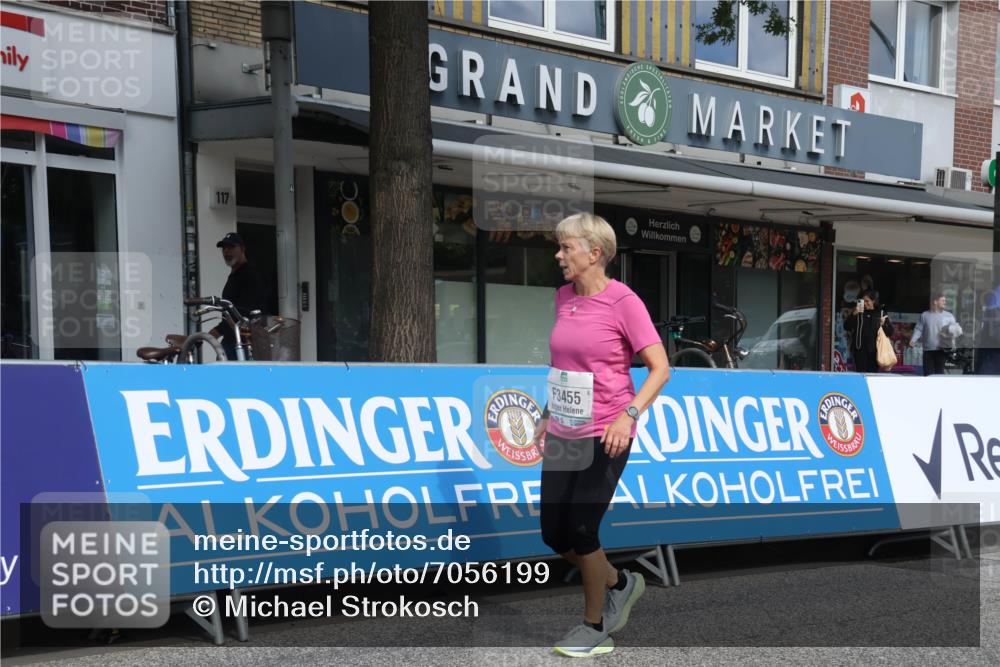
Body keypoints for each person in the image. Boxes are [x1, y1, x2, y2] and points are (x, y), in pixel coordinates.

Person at [530, 213, 670, 657]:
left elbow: (659, 368)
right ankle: (619, 581)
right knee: (554, 533)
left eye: (566, 247)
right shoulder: (562, 297)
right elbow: (567, 366)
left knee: (582, 527)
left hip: (607, 430)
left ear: (595, 253)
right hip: (564, 430)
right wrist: (548, 412)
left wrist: (628, 416)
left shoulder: (623, 301)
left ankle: (594, 628)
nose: (559, 254)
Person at [210, 232, 267, 360]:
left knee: (239, 378)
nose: (226, 251)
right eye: (224, 248)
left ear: (242, 249)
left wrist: (217, 330)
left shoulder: (250, 274)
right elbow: (231, 311)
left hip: (246, 342)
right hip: (232, 340)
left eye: (231, 247)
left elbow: (245, 310)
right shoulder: (235, 275)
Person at [909, 292, 963, 376]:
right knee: (928, 375)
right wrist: (913, 340)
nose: (945, 302)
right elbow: (919, 329)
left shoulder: (949, 316)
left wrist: (949, 334)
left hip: (942, 350)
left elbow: (958, 331)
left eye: (945, 300)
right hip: (928, 350)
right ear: (935, 302)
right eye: (942, 300)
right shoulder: (925, 315)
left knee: (940, 375)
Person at [844, 288, 893, 373]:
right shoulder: (858, 312)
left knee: (872, 374)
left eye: (867, 301)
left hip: (875, 350)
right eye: (863, 301)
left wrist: (883, 324)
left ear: (873, 301)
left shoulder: (880, 313)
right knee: (860, 374)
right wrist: (854, 314)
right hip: (859, 349)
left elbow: (890, 332)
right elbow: (846, 326)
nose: (865, 304)